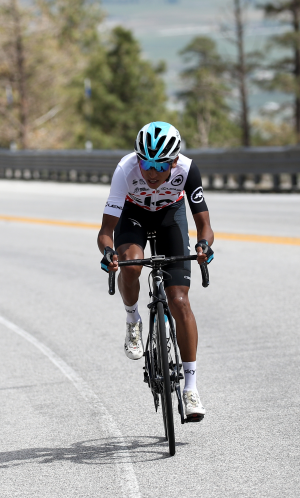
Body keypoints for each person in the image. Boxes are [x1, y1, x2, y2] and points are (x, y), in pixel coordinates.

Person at [97, 121, 214, 422]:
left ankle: (190, 388)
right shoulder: (125, 169)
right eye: (145, 163)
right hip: (133, 216)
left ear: (173, 162)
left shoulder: (188, 170)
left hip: (169, 217)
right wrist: (108, 253)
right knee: (132, 264)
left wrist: (203, 245)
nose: (151, 172)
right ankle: (132, 319)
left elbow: (204, 225)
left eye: (159, 165)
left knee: (180, 301)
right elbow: (106, 231)